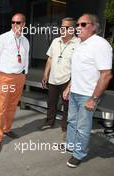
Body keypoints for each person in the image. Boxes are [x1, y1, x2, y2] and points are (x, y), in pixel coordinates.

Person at [63, 14, 113, 168]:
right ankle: (71, 145)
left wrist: (94, 98)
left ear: (94, 26)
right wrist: (69, 86)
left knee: (82, 127)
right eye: (78, 24)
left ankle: (78, 154)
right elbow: (77, 69)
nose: (78, 27)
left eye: (83, 24)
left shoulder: (101, 44)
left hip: (88, 94)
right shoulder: (79, 43)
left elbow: (106, 74)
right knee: (71, 121)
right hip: (75, 91)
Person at [0, 13, 29, 153]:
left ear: (23, 24)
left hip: (19, 77)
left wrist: (25, 72)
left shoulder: (25, 41)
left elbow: (26, 58)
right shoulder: (3, 38)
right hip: (5, 77)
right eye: (13, 22)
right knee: (1, 108)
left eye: (18, 22)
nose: (15, 25)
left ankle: (7, 129)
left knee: (13, 105)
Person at [40, 17, 80, 143]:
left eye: (66, 27)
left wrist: (72, 83)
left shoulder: (78, 43)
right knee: (51, 103)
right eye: (62, 27)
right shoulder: (56, 41)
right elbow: (50, 59)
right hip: (53, 79)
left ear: (73, 29)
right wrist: (45, 74)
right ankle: (49, 122)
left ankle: (65, 129)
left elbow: (79, 65)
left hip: (67, 80)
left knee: (67, 107)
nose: (63, 30)